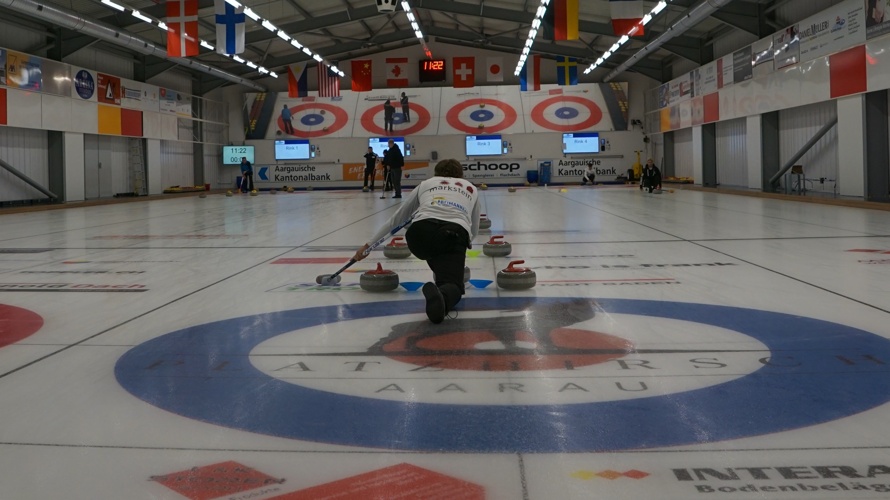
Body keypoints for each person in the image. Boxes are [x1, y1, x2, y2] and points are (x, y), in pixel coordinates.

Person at [352, 159, 481, 324]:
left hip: (420, 234)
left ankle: (440, 289)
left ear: (436, 173)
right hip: (452, 234)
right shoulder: (471, 188)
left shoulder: (426, 183)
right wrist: (462, 245)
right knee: (454, 285)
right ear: (460, 175)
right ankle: (443, 294)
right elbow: (474, 228)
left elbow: (396, 220)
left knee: (436, 251)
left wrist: (368, 246)